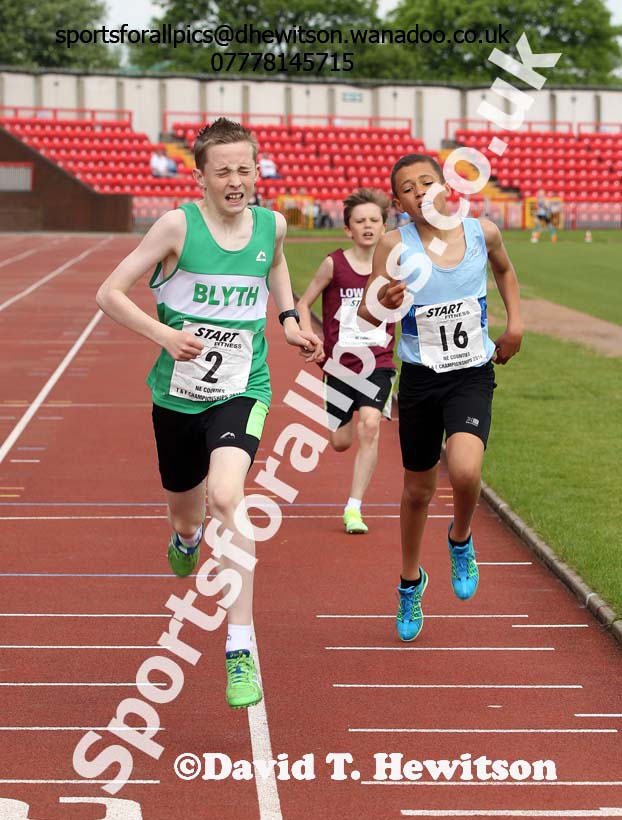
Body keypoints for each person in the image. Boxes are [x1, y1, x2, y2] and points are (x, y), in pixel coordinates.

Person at [96, 117, 322, 708]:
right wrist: (163, 337)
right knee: (187, 512)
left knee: (228, 496)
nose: (236, 180)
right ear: (200, 177)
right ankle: (187, 537)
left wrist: (291, 320)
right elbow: (109, 293)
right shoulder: (177, 226)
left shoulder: (271, 224)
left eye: (245, 168)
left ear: (257, 170)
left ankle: (240, 647)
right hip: (176, 393)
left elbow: (273, 264)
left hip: (243, 388)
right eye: (223, 171)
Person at [358, 153, 522, 641]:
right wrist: (382, 303)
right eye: (408, 187)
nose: (420, 191)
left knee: (466, 469)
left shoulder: (482, 232)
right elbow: (368, 316)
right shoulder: (393, 243)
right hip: (422, 380)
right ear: (397, 202)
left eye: (427, 181)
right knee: (417, 491)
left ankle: (460, 536)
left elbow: (506, 273)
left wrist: (515, 325)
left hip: (471, 374)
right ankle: (410, 581)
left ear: (446, 186)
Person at [297, 188, 395, 535]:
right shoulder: (334, 264)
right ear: (348, 230)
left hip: (378, 362)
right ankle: (347, 424)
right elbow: (303, 303)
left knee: (370, 425)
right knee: (341, 442)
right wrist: (310, 336)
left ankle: (353, 508)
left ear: (385, 227)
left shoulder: (394, 267)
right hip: (338, 366)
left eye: (374, 220)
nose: (367, 226)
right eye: (360, 221)